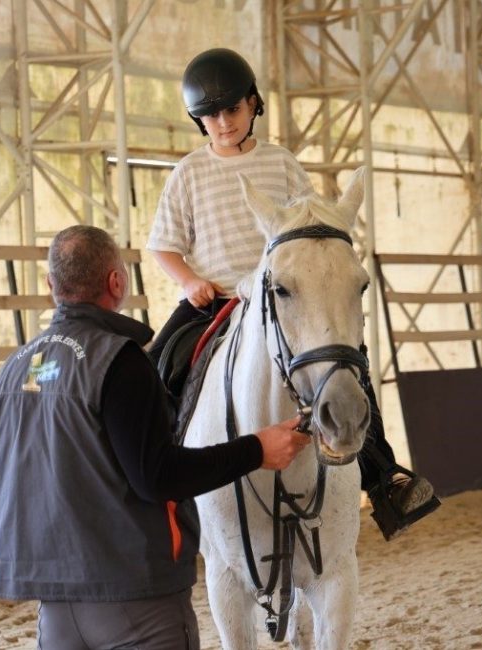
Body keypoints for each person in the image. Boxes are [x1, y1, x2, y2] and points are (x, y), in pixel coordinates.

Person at [146, 47, 439, 540]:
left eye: (232, 109)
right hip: (215, 301)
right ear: (200, 121)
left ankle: (384, 477)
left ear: (254, 104)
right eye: (211, 115)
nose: (223, 122)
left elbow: (309, 224)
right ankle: (158, 488)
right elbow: (163, 247)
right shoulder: (188, 173)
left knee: (349, 363)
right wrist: (189, 282)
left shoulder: (280, 163)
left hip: (282, 300)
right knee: (158, 368)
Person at [0, 225, 312, 649]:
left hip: (53, 605)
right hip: (135, 600)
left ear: (51, 284)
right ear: (116, 282)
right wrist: (256, 449)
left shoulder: (14, 368)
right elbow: (157, 476)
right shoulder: (119, 360)